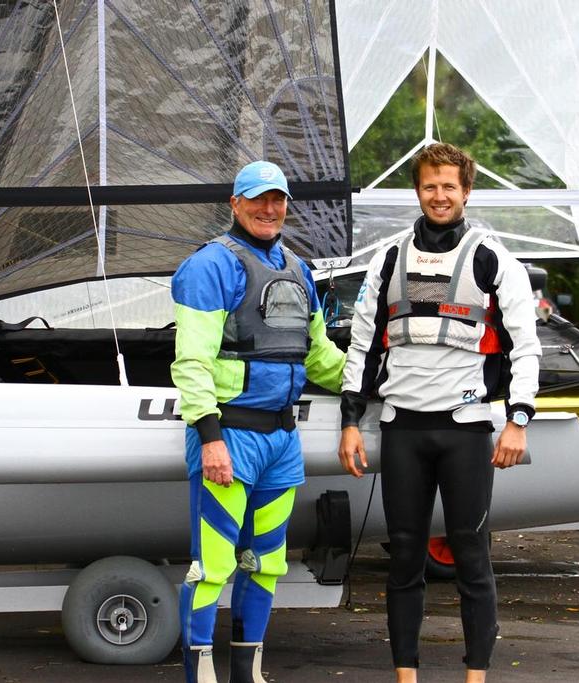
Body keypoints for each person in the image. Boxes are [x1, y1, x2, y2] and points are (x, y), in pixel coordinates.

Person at [337, 143, 541, 683]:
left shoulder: (491, 257)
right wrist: (350, 423)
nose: (440, 195)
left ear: (467, 191)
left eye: (450, 186)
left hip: (466, 428)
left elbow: (526, 347)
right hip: (402, 426)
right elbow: (362, 346)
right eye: (430, 185)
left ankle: (475, 677)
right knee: (405, 559)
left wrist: (518, 420)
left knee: (472, 556)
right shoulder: (388, 259)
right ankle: (407, 676)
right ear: (418, 190)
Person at [171, 160, 345, 683]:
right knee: (214, 567)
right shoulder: (208, 267)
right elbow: (192, 361)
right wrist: (209, 437)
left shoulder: (299, 269)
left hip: (280, 442)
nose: (269, 209)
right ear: (235, 203)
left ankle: (249, 675)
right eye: (257, 199)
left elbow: (320, 358)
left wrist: (375, 380)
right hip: (231, 437)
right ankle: (199, 675)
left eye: (278, 200)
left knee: (266, 563)